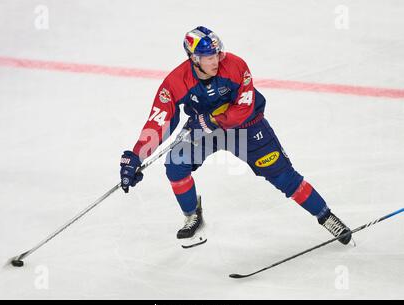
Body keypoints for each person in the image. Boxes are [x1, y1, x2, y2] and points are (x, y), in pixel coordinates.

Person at [120, 26, 352, 245]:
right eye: (209, 56)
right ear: (193, 59)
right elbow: (159, 120)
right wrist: (137, 155)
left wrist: (211, 120)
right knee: (175, 164)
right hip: (204, 129)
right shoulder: (175, 81)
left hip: (247, 127)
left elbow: (243, 108)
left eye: (217, 53)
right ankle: (192, 216)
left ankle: (326, 216)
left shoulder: (236, 66)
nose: (216, 60)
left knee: (284, 177)